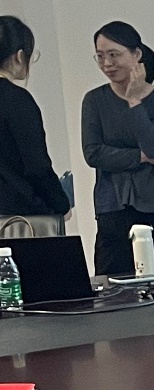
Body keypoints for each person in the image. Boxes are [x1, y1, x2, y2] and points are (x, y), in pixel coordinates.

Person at [82, 22, 154, 276]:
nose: (107, 63)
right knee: (112, 283)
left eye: (114, 54)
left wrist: (134, 100)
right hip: (114, 205)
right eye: (100, 56)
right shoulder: (94, 100)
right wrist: (143, 157)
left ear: (136, 54)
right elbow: (93, 153)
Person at [0, 15, 71, 237]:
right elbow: (36, 166)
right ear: (19, 56)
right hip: (17, 218)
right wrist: (60, 204)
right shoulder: (16, 100)